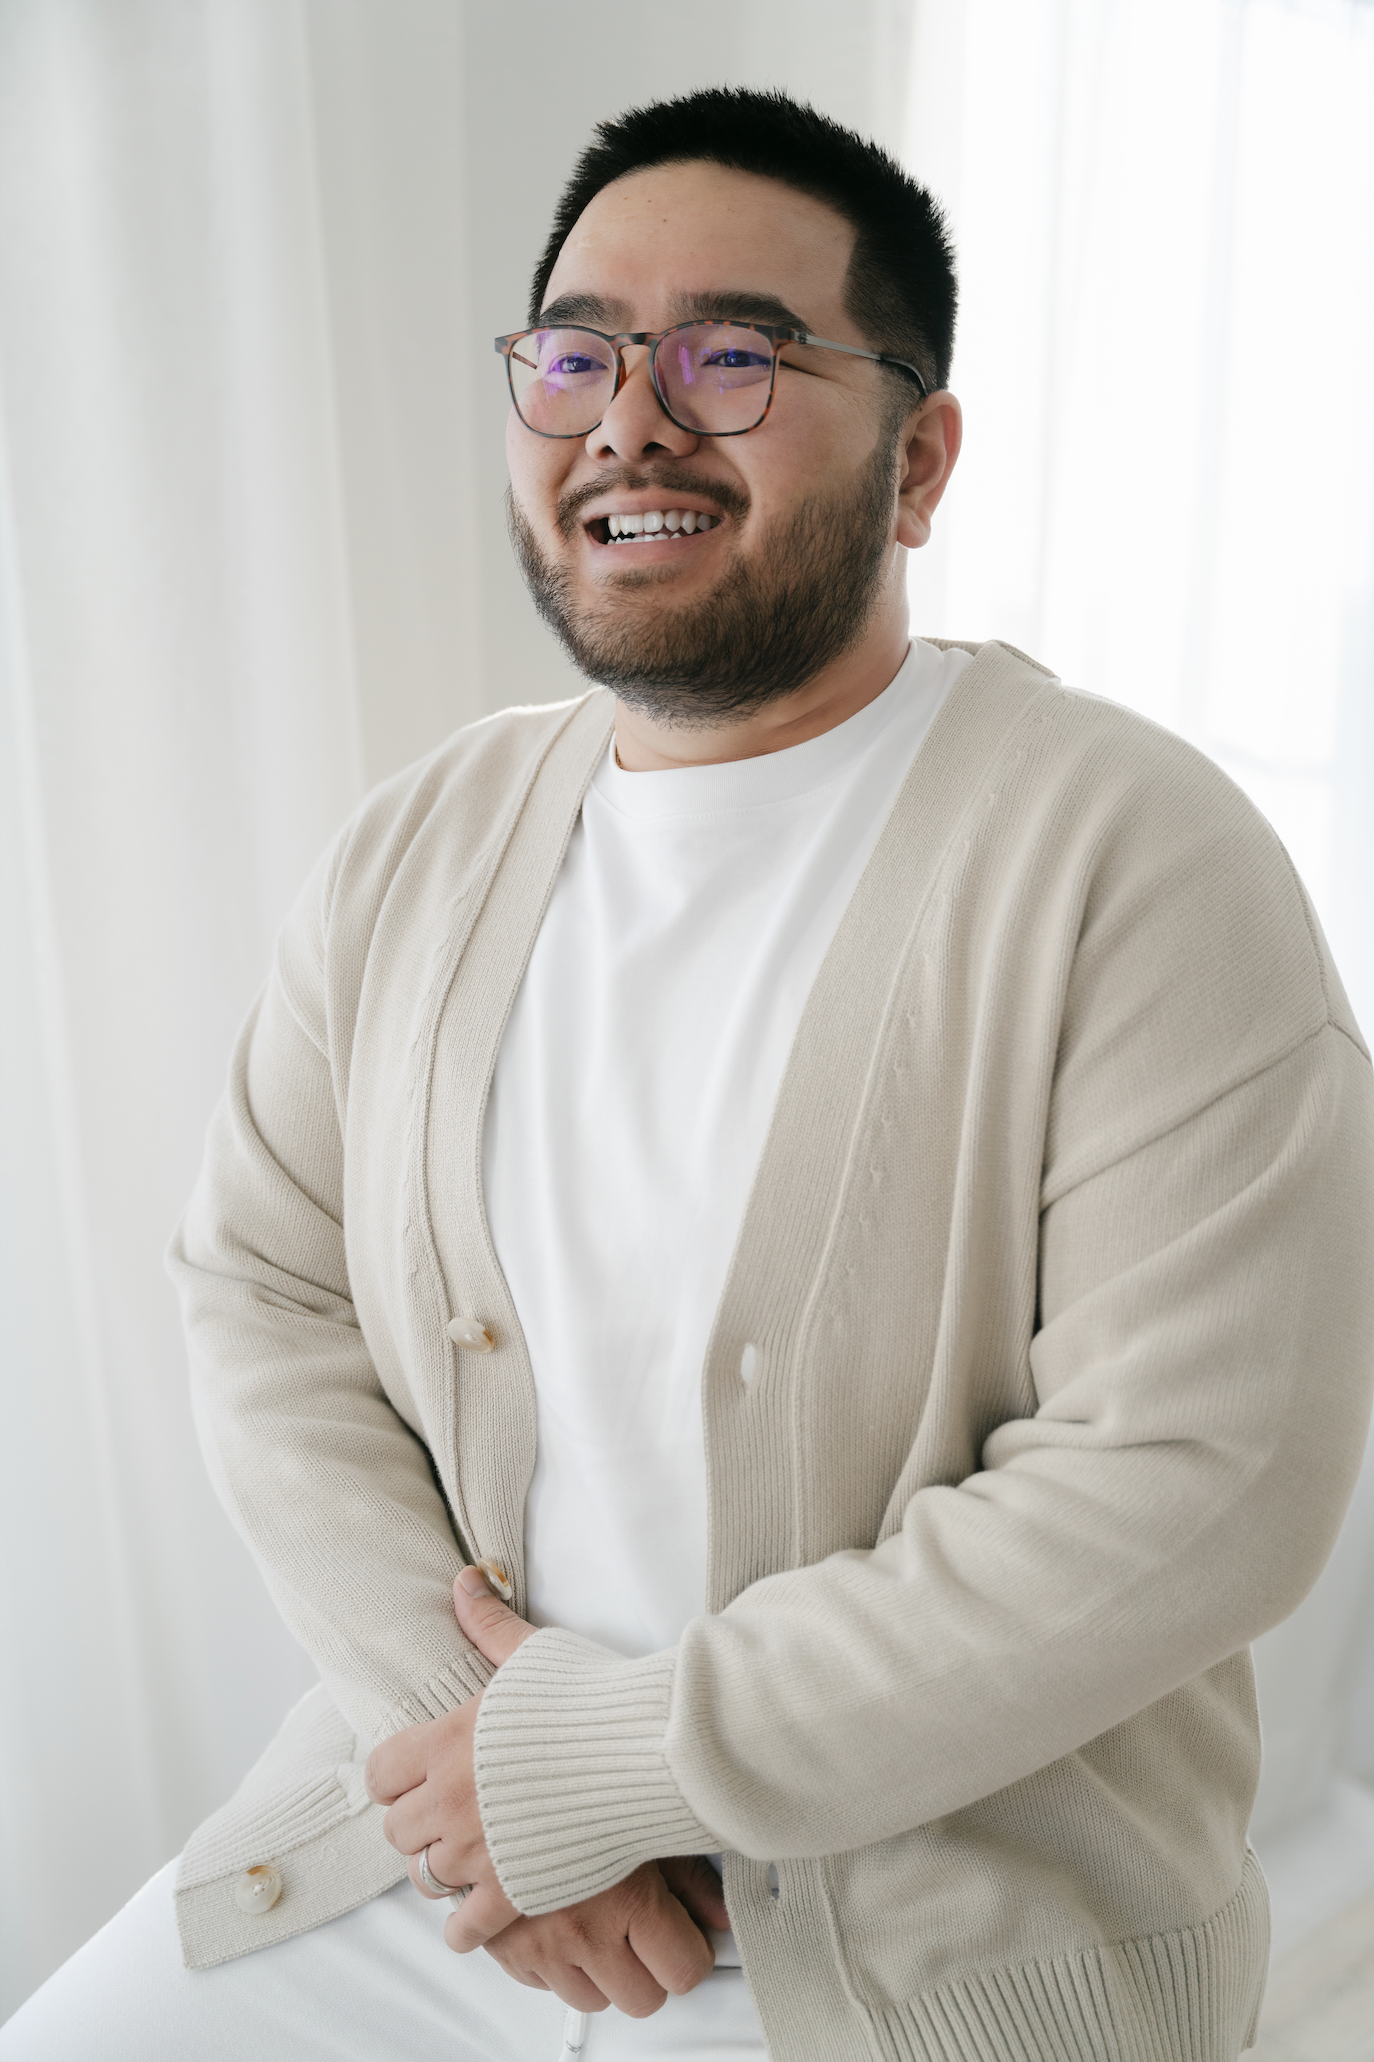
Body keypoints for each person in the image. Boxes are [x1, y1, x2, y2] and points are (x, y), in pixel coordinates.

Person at [5, 85, 1372, 2062]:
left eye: (735, 353)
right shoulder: (424, 839)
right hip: (445, 1869)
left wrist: (613, 1764)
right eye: (573, 354)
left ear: (922, 461)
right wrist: (481, 1752)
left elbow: (1202, 1481)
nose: (629, 417)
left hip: (911, 1950)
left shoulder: (1134, 859)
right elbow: (260, 1286)